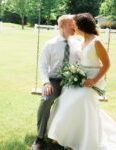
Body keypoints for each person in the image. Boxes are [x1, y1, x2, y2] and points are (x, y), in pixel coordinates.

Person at [47, 13, 116, 150]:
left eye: (75, 25)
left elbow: (107, 64)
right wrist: (74, 73)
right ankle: (65, 136)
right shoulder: (82, 41)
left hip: (94, 79)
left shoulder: (96, 42)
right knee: (65, 98)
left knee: (80, 100)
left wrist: (93, 80)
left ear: (81, 27)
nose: (73, 28)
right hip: (81, 77)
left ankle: (81, 140)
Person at [32, 15, 81, 150]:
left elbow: (83, 63)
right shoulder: (50, 44)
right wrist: (46, 82)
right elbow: (42, 65)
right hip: (53, 79)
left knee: (79, 102)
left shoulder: (77, 44)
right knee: (46, 99)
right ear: (62, 26)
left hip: (72, 81)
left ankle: (69, 137)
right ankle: (40, 137)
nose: (75, 27)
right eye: (72, 24)